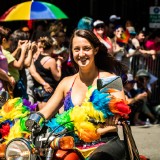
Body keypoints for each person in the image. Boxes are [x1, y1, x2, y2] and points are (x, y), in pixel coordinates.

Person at [29, 29, 131, 159]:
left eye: (86, 48)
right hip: (70, 145)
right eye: (76, 49)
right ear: (71, 52)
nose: (81, 54)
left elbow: (121, 110)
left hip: (105, 144)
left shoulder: (108, 79)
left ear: (95, 50)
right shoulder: (66, 82)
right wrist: (27, 123)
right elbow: (45, 112)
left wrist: (114, 115)